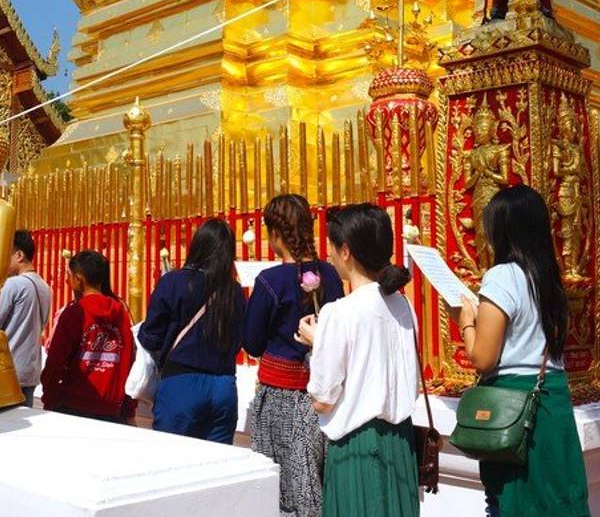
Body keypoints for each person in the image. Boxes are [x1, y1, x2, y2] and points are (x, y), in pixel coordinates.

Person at [456, 185, 590, 517]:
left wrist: (466, 322)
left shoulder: (502, 276)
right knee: (556, 499)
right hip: (552, 403)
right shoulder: (548, 278)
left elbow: (483, 358)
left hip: (515, 408)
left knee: (514, 502)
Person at [296, 203, 420, 517]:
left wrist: (319, 342)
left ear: (346, 251)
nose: (329, 256)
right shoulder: (403, 306)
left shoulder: (340, 312)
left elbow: (323, 399)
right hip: (400, 443)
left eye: (332, 248)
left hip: (358, 447)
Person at [243, 194, 345, 517]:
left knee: (284, 492)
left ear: (275, 233)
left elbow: (252, 343)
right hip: (324, 396)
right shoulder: (330, 275)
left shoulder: (270, 281)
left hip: (280, 397)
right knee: (316, 483)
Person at [139, 219, 245, 444]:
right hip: (224, 385)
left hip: (182, 382)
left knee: (173, 455)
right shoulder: (234, 291)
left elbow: (150, 336)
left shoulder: (173, 282)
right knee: (219, 459)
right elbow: (238, 340)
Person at [41, 250, 136, 424]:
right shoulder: (121, 313)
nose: (68, 281)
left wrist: (50, 399)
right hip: (111, 408)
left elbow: (55, 363)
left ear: (78, 279)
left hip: (73, 406)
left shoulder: (74, 313)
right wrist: (129, 409)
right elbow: (129, 361)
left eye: (69, 276)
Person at [0, 230, 52, 407]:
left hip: (8, 371)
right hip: (30, 371)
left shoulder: (14, 284)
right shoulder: (45, 287)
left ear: (19, 255)